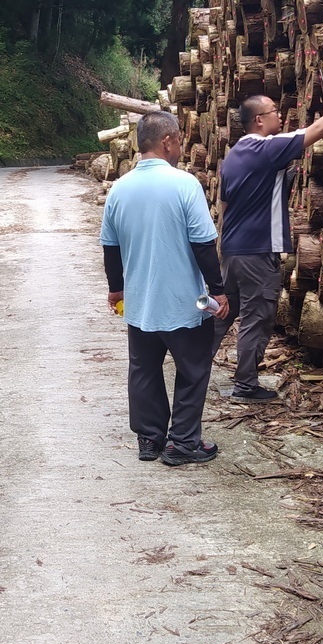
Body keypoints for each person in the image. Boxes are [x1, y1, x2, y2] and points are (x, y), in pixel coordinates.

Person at [212, 77, 323, 402]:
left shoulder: (234, 155)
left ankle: (191, 362)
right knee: (257, 317)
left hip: (234, 249)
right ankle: (246, 384)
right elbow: (318, 129)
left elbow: (223, 206)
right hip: (257, 250)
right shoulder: (264, 148)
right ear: (259, 120)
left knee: (226, 312)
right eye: (274, 111)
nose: (281, 115)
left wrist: (222, 248)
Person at [100, 111, 231, 466]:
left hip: (140, 302)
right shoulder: (184, 184)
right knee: (194, 368)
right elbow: (204, 244)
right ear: (168, 141)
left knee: (143, 369)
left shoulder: (119, 189)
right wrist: (218, 291)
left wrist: (117, 290)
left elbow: (110, 247)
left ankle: (150, 437)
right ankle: (183, 442)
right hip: (184, 302)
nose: (180, 147)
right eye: (178, 140)